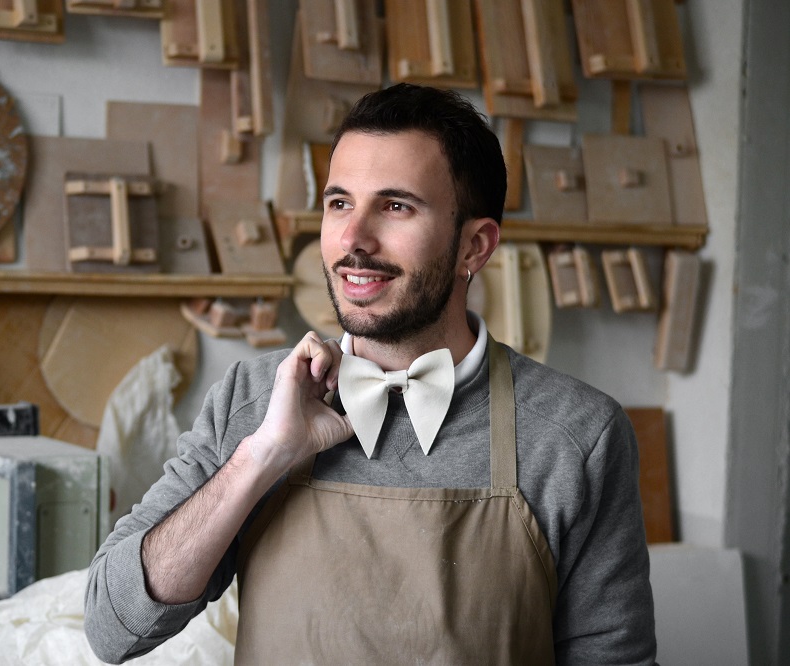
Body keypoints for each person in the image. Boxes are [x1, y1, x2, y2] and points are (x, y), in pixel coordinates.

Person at [84, 83, 656, 664]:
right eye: (339, 203)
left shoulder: (578, 435)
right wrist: (261, 457)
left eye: (395, 205)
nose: (353, 240)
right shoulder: (255, 398)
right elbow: (113, 628)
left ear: (474, 247)